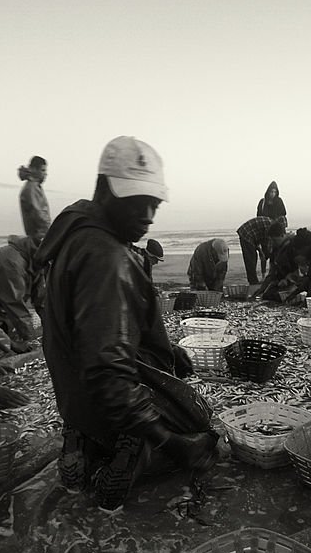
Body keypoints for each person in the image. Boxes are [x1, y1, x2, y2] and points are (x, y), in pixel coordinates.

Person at [38, 135, 218, 513]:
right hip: (103, 396)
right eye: (139, 202)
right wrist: (174, 444)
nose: (149, 215)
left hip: (73, 393)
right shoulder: (107, 257)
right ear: (106, 189)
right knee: (200, 420)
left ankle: (82, 439)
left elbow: (93, 331)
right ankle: (132, 451)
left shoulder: (76, 231)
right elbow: (108, 373)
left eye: (154, 203)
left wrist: (170, 350)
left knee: (166, 382)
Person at [0, 236, 37, 345]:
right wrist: (31, 340)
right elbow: (15, 305)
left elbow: (41, 296)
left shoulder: (30, 258)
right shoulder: (12, 263)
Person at [236, 216, 286, 285]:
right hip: (246, 234)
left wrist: (261, 251)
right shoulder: (270, 228)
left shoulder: (271, 226)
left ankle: (257, 279)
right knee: (250, 260)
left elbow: (262, 242)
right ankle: (253, 282)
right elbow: (266, 252)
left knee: (255, 257)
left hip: (253, 235)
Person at [18, 155, 51, 243]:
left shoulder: (33, 187)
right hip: (39, 238)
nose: (45, 174)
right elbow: (38, 214)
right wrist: (50, 234)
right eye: (43, 170)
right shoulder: (32, 188)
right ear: (34, 170)